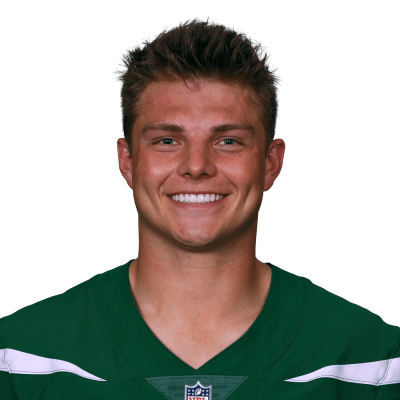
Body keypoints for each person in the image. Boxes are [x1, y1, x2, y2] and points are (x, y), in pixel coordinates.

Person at [1, 18, 399, 399]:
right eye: (166, 141)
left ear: (270, 163)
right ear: (127, 161)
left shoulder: (369, 360)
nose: (196, 166)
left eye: (228, 141)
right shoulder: (22, 357)